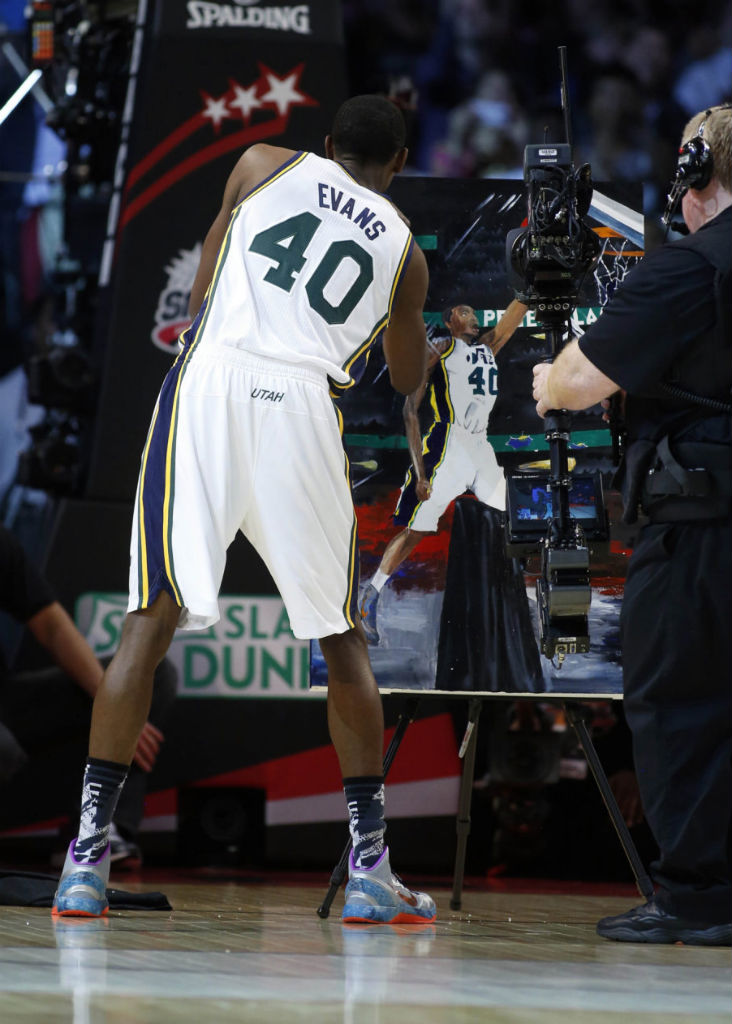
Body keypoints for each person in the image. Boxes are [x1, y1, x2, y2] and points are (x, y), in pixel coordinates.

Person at [53, 95, 436, 925]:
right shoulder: (406, 250)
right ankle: (369, 868)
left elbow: (202, 288)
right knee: (341, 640)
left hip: (212, 385)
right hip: (302, 409)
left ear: (327, 145)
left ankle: (85, 858)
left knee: (148, 622)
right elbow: (406, 380)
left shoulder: (264, 162)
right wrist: (429, 342)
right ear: (400, 163)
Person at [532, 104, 731, 946]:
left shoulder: (691, 268)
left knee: (680, 705)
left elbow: (578, 382)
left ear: (693, 172)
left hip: (703, 525)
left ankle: (697, 897)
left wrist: (547, 376)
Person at [0, 523, 175, 869]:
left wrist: (116, 708)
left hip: (7, 703)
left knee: (147, 678)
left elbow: (51, 626)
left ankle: (97, 835)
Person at [359, 299, 526, 644]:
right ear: (449, 322)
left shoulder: (487, 348)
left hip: (480, 446)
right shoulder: (442, 347)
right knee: (416, 531)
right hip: (448, 443)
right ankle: (371, 594)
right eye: (464, 312)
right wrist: (420, 474)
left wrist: (528, 287)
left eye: (475, 311)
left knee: (517, 516)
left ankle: (525, 591)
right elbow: (409, 410)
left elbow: (512, 317)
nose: (474, 316)